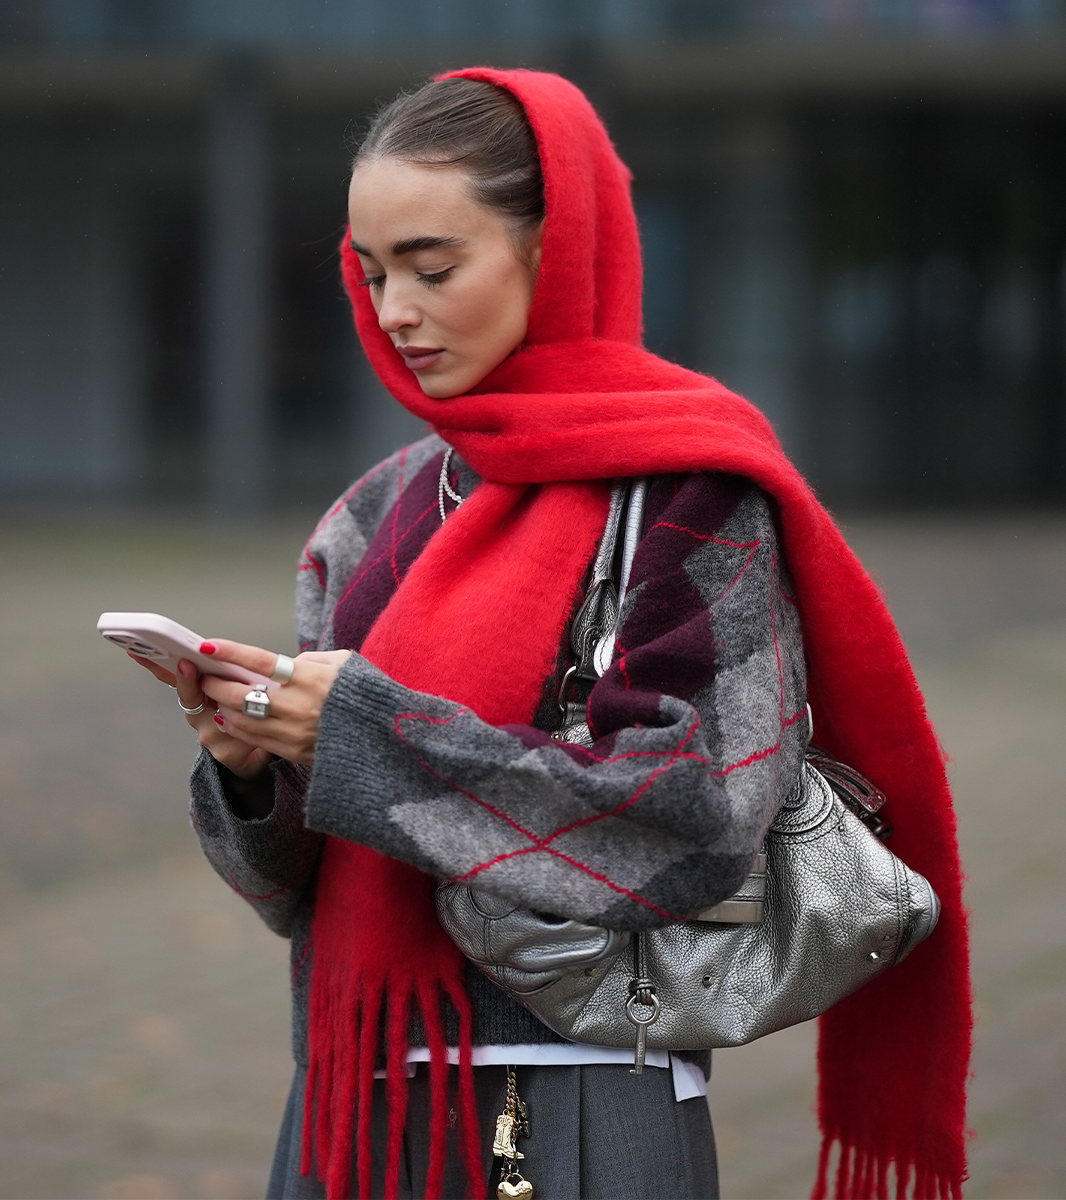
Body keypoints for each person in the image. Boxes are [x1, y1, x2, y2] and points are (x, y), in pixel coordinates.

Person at [134, 69, 970, 1200]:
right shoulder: (372, 515)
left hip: (578, 1088)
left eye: (433, 268)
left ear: (555, 247)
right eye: (370, 273)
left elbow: (703, 820)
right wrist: (252, 771)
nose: (393, 313)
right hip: (352, 1099)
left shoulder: (687, 493)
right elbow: (300, 894)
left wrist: (365, 736)